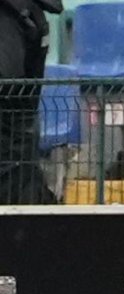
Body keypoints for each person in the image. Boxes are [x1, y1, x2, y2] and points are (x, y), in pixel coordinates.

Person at [0, 0, 61, 205]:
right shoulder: (26, 12)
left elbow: (5, 78)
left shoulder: (9, 16)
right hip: (16, 149)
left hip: (9, 153)